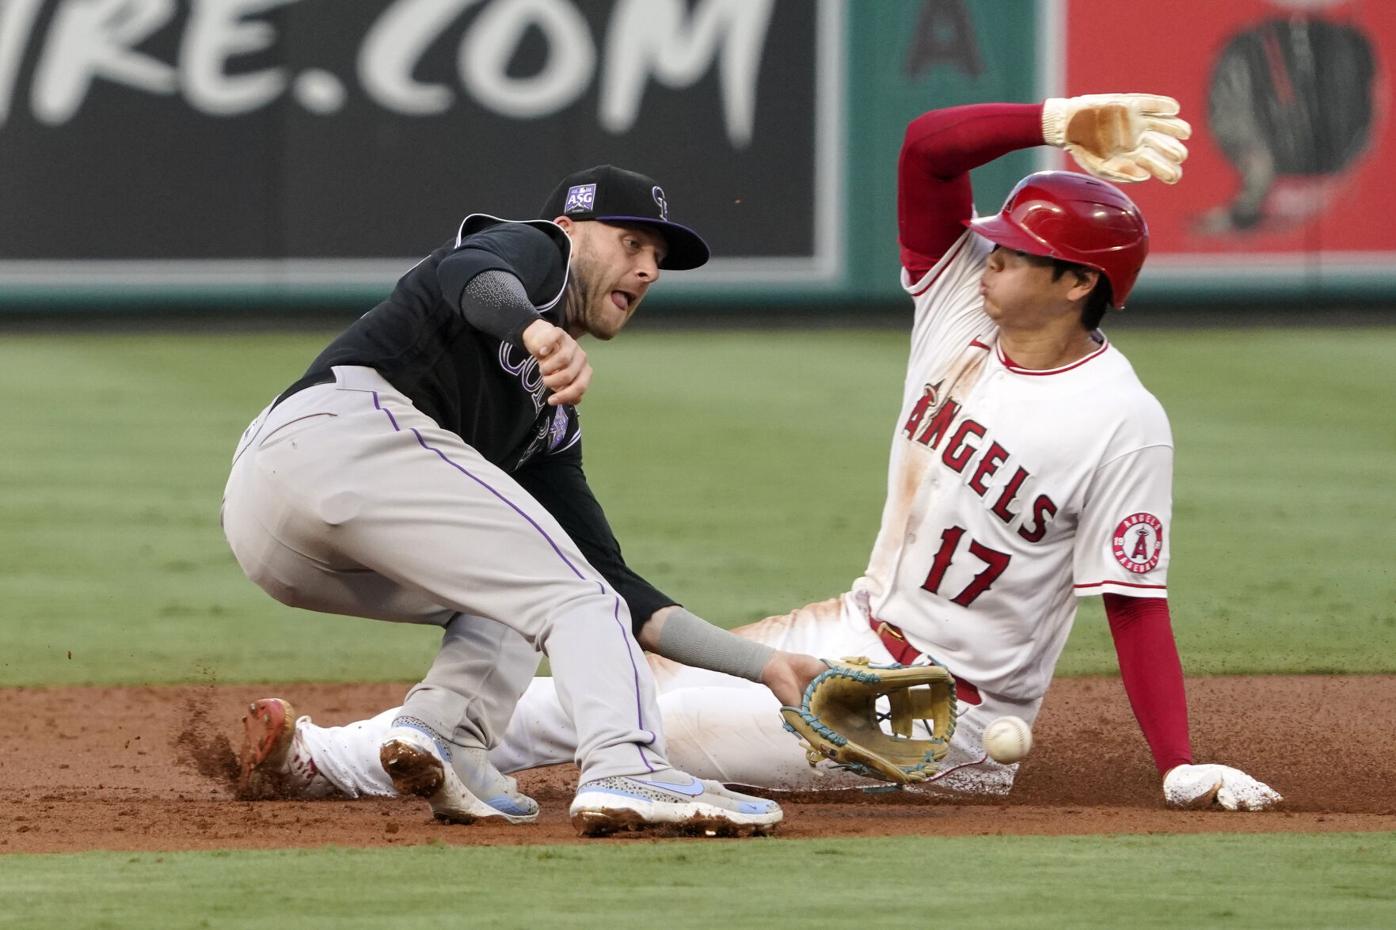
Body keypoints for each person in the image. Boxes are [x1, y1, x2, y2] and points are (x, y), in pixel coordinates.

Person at [240, 95, 1281, 812]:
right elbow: (928, 147)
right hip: (856, 622)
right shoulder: (963, 301)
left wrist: (1180, 763)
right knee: (604, 672)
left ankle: (482, 766)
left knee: (657, 715)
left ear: (1076, 286)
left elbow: (1134, 601)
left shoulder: (1118, 417)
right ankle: (332, 758)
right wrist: (1053, 123)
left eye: (1022, 251)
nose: (990, 249)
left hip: (940, 711)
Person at [222, 164, 823, 836]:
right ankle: (627, 764)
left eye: (657, 258)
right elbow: (468, 274)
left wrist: (766, 666)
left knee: (540, 589)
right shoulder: (541, 253)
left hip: (273, 523)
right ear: (570, 228)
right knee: (570, 595)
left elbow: (614, 585)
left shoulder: (549, 425)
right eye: (631, 243)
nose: (648, 269)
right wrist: (535, 329)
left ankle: (443, 735)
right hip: (341, 431)